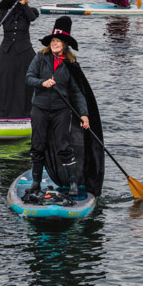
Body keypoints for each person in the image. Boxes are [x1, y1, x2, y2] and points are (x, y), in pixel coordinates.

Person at [25, 17, 93, 197]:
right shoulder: (40, 58)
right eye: (53, 41)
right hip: (39, 108)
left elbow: (78, 92)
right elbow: (28, 78)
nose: (55, 43)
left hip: (61, 111)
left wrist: (84, 115)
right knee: (37, 145)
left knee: (64, 146)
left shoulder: (71, 65)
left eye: (58, 41)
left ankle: (73, 184)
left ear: (64, 45)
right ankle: (36, 183)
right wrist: (42, 83)